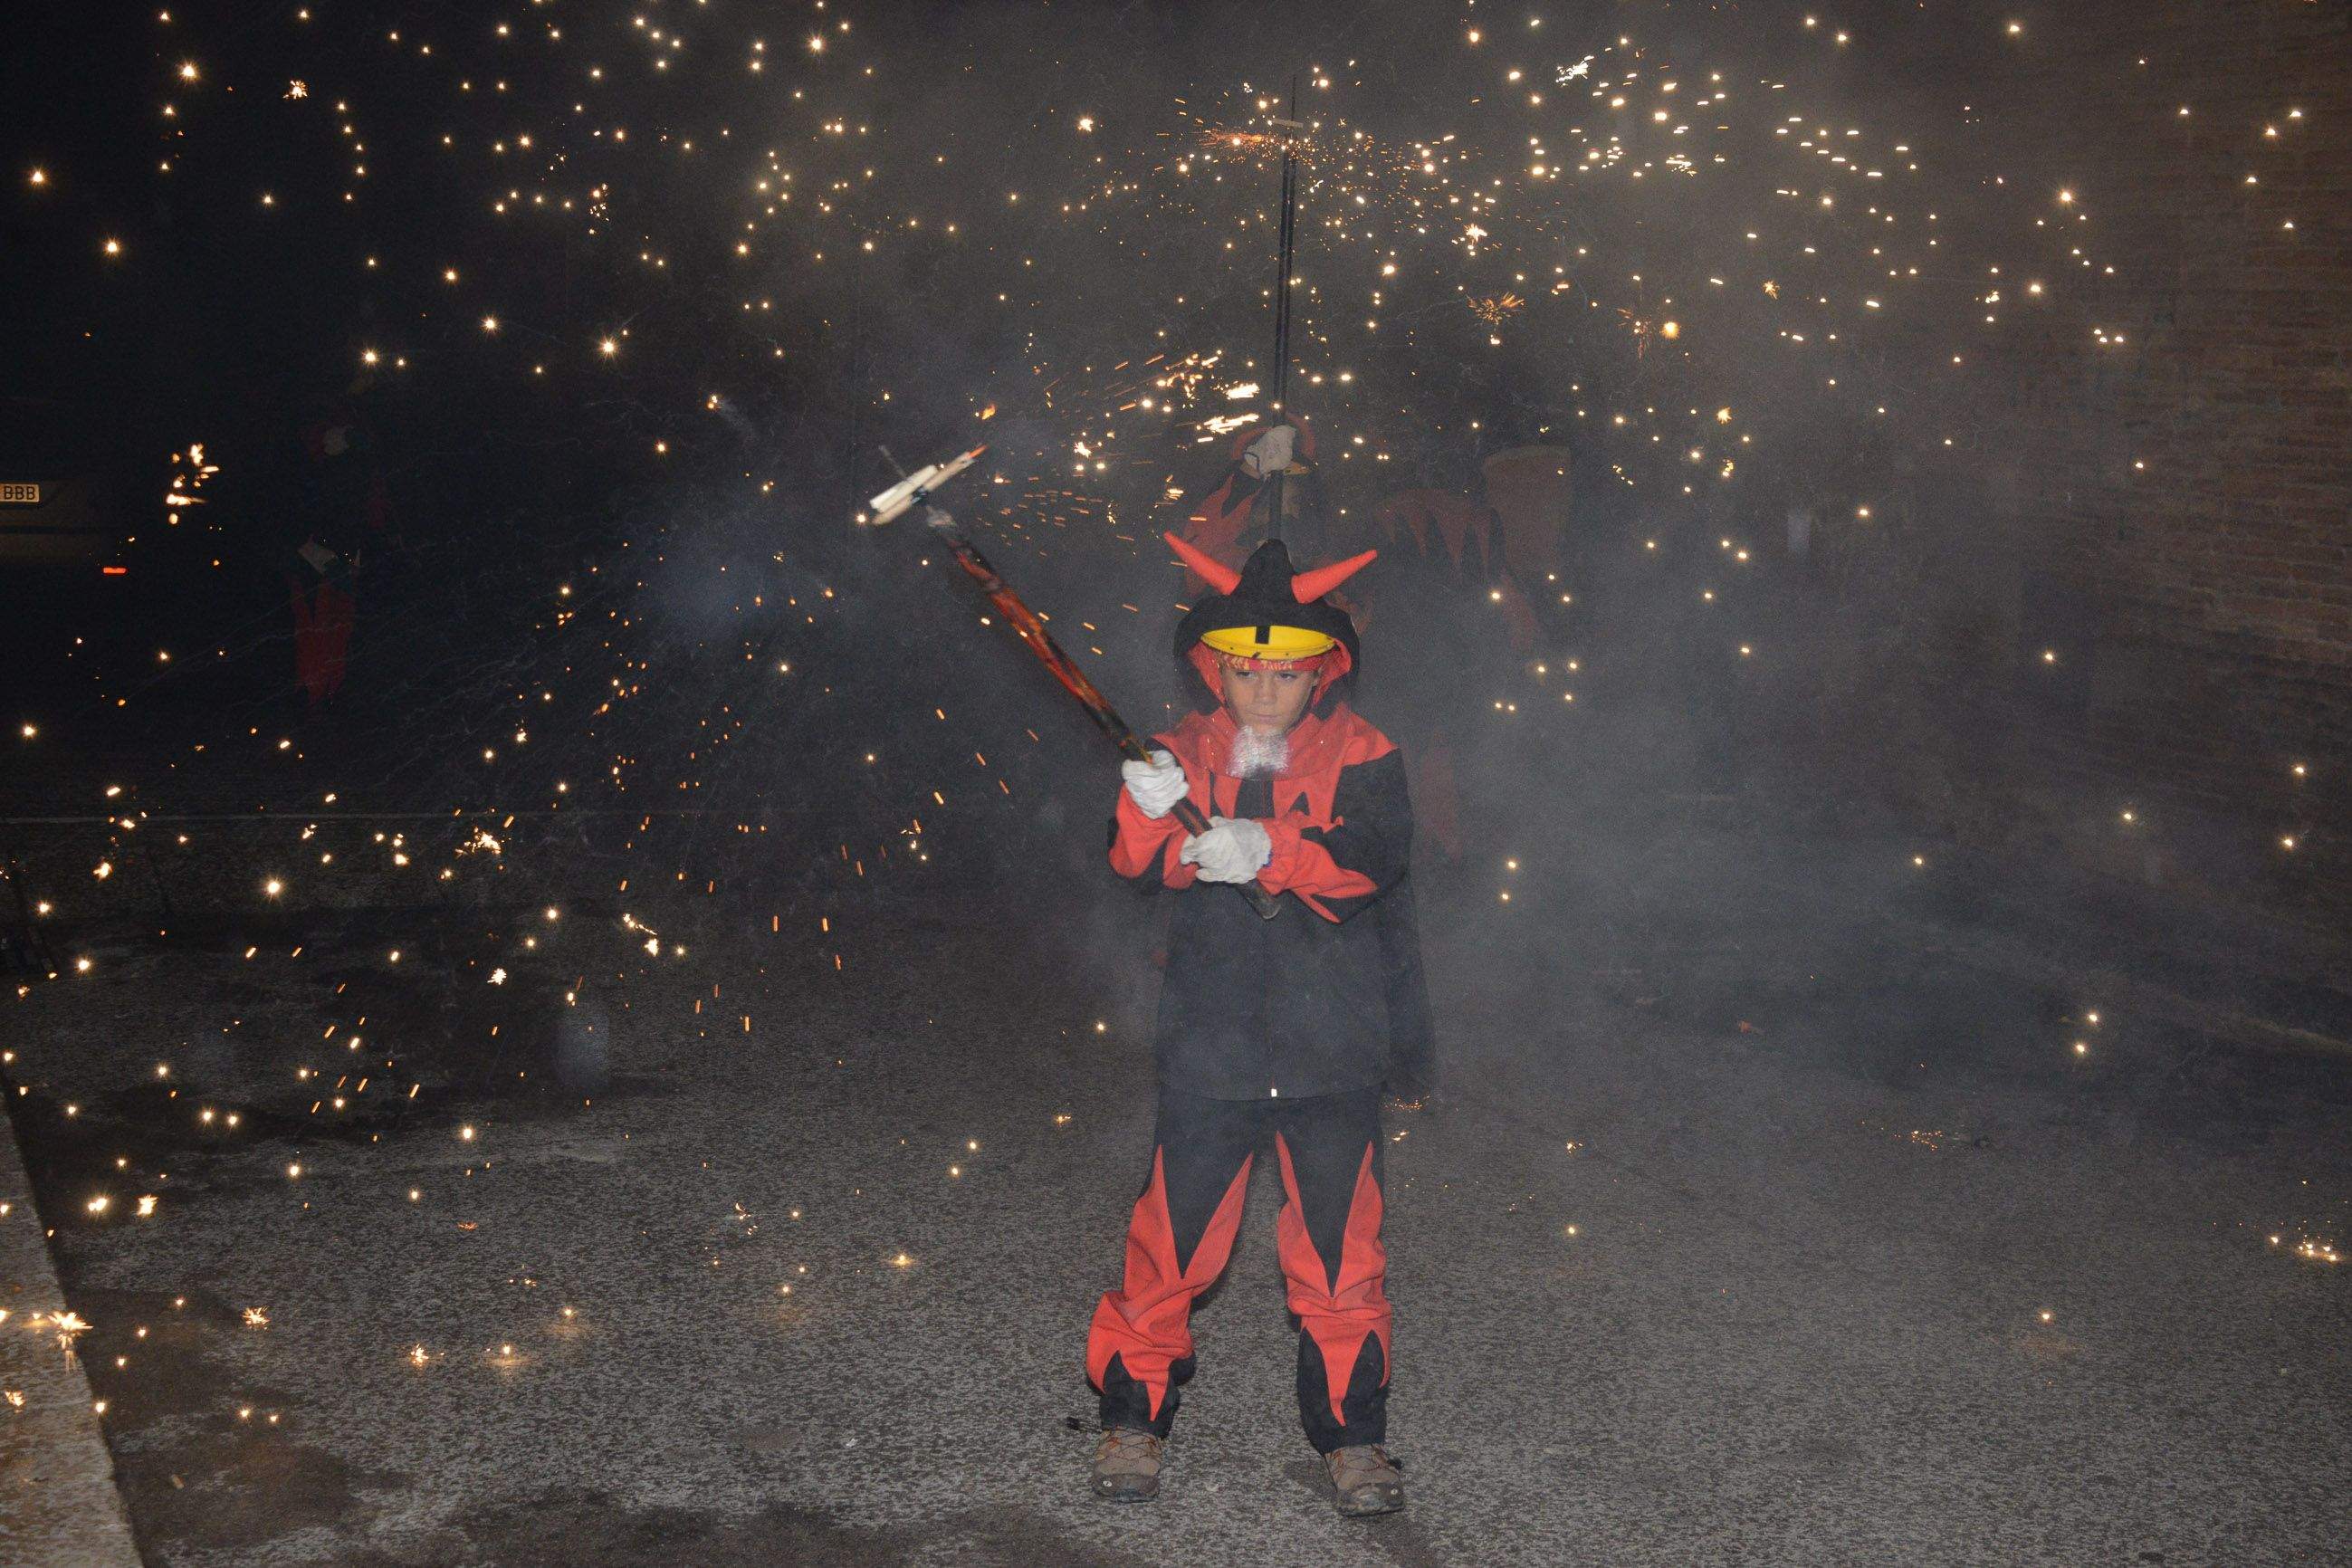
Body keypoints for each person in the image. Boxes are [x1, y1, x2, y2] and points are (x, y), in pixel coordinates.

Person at [1085, 532, 1430, 1516]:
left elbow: (1372, 859)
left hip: (1333, 1051)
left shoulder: (1368, 753)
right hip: (1211, 1046)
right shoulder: (1177, 752)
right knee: (1169, 1246)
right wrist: (1148, 805)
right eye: (1247, 672)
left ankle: (1355, 1440)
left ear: (1321, 670)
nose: (1266, 691)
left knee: (1339, 1257)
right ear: (1215, 669)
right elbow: (1131, 860)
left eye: (1286, 672)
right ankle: (1132, 1420)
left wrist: (1265, 844)